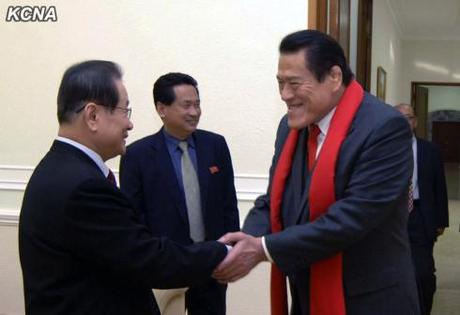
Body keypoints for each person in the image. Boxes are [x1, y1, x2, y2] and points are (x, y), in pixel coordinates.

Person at [213, 30, 420, 315]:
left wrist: (262, 248)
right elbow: (273, 200)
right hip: (306, 294)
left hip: (368, 299)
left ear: (334, 77)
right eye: (280, 83)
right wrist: (244, 243)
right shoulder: (290, 128)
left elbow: (351, 218)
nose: (285, 95)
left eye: (294, 83)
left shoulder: (384, 128)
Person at [18, 60, 228, 315]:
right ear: (93, 116)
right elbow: (145, 258)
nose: (129, 125)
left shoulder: (58, 169)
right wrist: (224, 251)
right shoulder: (83, 186)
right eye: (124, 111)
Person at [119, 72, 239, 315]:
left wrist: (231, 254)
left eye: (197, 104)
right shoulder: (137, 156)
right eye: (186, 105)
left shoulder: (215, 145)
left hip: (211, 268)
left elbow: (228, 205)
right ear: (162, 108)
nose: (194, 112)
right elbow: (134, 218)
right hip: (164, 271)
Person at [395, 103, 449, 315]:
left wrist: (441, 219)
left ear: (415, 122)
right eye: (399, 118)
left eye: (408, 117)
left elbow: (440, 186)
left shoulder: (430, 150)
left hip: (421, 215)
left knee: (424, 273)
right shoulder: (383, 149)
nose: (404, 122)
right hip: (392, 217)